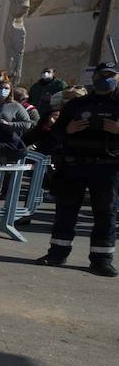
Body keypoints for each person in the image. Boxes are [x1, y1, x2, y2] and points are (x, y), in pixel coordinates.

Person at [37, 62, 119, 277]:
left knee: (105, 214)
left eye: (111, 75)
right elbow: (55, 132)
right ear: (94, 77)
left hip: (107, 167)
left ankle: (101, 260)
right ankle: (57, 253)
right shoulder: (77, 105)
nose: (106, 78)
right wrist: (69, 129)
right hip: (75, 164)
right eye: (102, 74)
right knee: (66, 210)